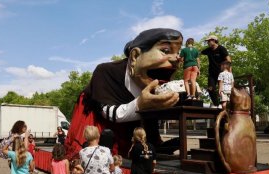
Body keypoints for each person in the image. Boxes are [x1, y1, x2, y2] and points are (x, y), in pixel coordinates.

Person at [65, 28, 183, 160]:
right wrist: (140, 105)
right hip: (103, 127)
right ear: (135, 56)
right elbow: (108, 112)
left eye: (178, 52)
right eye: (165, 51)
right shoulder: (106, 71)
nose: (176, 58)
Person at [201, 35, 232, 107]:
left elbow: (229, 60)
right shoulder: (208, 50)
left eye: (209, 41)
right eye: (207, 41)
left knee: (223, 90)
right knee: (210, 89)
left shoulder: (221, 49)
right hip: (212, 74)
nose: (208, 43)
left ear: (214, 41)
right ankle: (217, 104)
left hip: (221, 73)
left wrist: (230, 73)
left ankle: (226, 105)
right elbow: (199, 53)